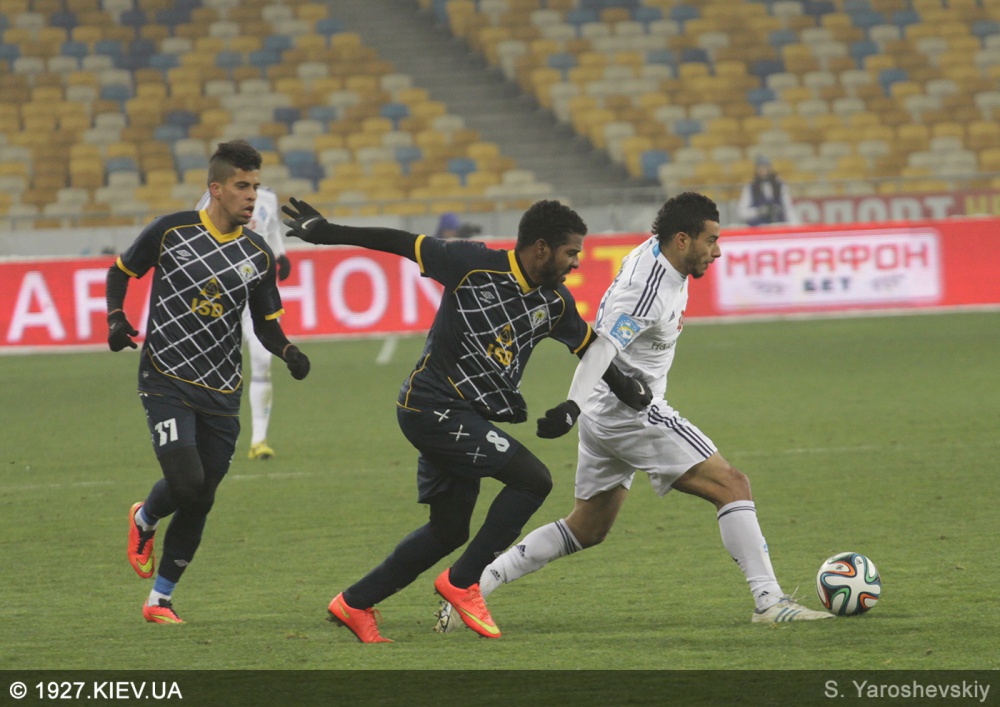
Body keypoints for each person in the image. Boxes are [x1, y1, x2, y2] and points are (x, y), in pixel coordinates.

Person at [436, 192, 832, 633]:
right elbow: (600, 348)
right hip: (632, 412)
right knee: (732, 484)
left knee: (587, 528)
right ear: (682, 240)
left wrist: (582, 407)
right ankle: (769, 600)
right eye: (711, 240)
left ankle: (472, 585)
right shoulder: (647, 291)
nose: (717, 251)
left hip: (603, 415)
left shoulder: (659, 255)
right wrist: (571, 405)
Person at [281, 198, 651, 642]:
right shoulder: (471, 264)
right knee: (532, 480)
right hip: (430, 405)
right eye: (571, 252)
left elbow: (590, 346)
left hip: (463, 416)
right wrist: (327, 233)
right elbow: (400, 242)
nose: (576, 262)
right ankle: (464, 583)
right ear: (541, 248)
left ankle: (354, 603)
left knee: (448, 531)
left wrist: (623, 389)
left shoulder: (554, 302)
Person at [108, 139, 311, 624]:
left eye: (256, 187)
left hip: (222, 390)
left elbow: (266, 323)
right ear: (216, 189)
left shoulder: (257, 253)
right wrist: (116, 317)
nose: (252, 196)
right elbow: (121, 272)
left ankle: (159, 600)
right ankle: (144, 517)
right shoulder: (171, 231)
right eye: (242, 186)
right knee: (187, 483)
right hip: (165, 378)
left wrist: (288, 351)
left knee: (202, 497)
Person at [195, 185, 292, 460]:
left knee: (262, 361)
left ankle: (259, 440)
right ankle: (205, 436)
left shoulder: (268, 198)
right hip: (222, 295)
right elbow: (196, 238)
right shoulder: (212, 198)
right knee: (215, 365)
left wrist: (280, 254)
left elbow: (272, 229)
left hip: (257, 291)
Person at [737, 156, 799, 226]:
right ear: (756, 170)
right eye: (761, 167)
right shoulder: (750, 188)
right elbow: (742, 213)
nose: (763, 170)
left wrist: (795, 226)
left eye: (766, 167)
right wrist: (759, 211)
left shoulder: (780, 186)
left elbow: (788, 208)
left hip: (778, 226)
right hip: (759, 227)